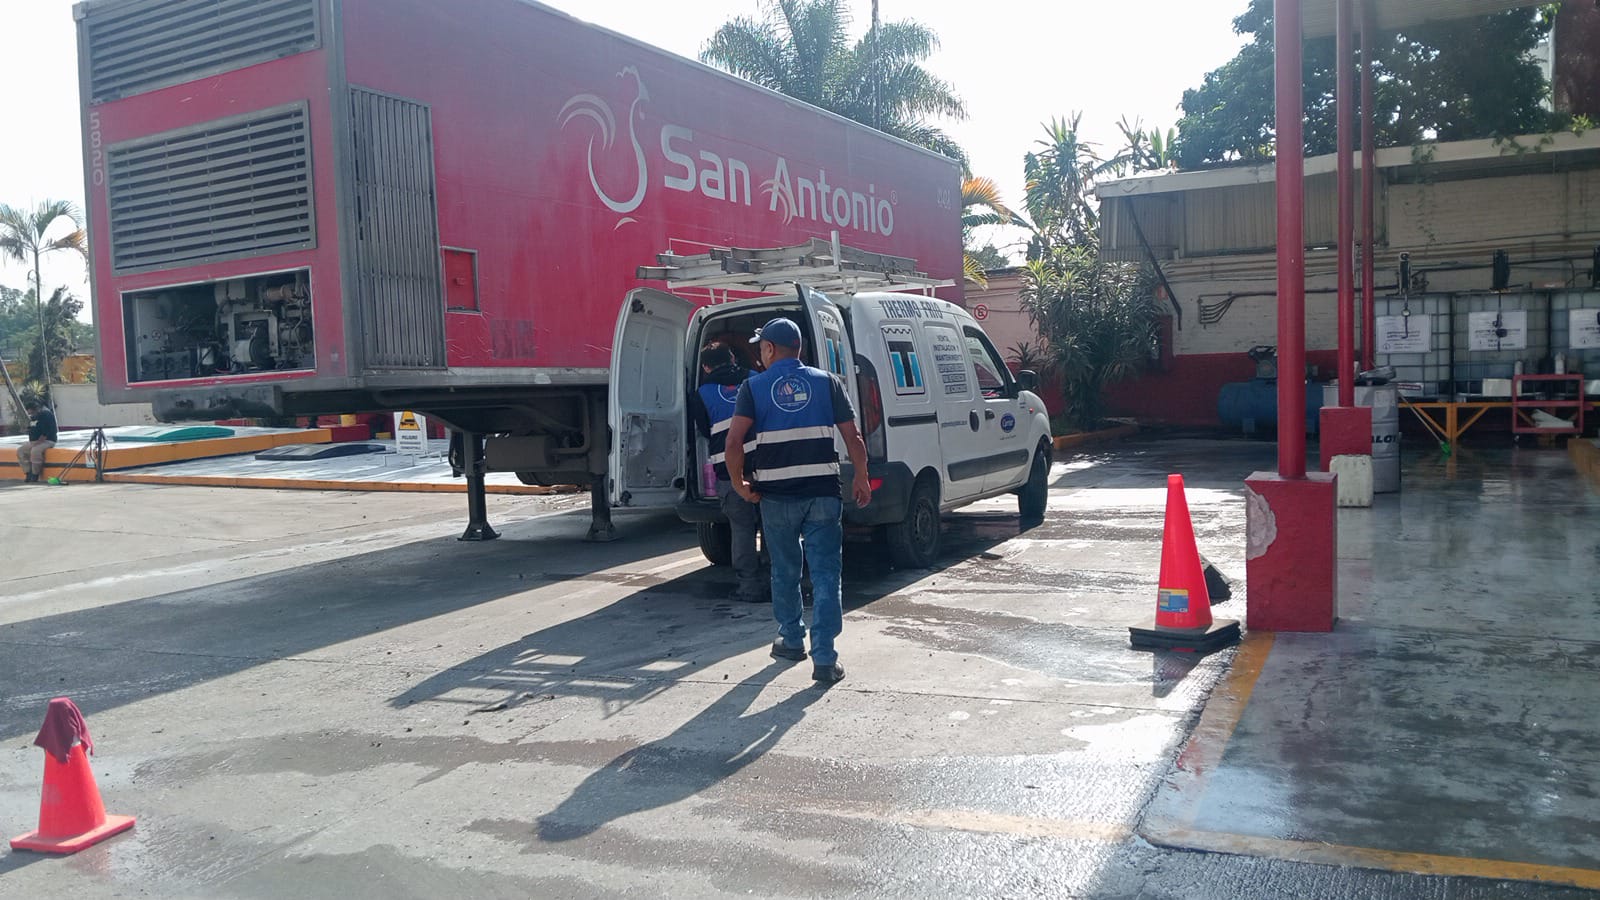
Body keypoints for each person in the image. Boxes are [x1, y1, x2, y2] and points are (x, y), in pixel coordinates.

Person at [724, 317, 872, 684]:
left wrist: (739, 484)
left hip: (775, 498)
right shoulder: (827, 383)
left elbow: (733, 443)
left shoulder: (753, 387)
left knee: (785, 571)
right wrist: (862, 478)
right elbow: (853, 438)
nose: (759, 353)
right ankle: (824, 658)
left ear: (771, 349)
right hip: (822, 493)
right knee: (825, 575)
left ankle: (791, 640)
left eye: (761, 347)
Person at [688, 343, 767, 603]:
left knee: (742, 530)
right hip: (767, 467)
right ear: (732, 356)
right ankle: (779, 582)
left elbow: (703, 430)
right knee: (774, 527)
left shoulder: (702, 394)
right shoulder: (757, 380)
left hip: (730, 473)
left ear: (706, 367)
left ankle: (749, 587)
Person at [17, 398, 58, 484]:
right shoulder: (34, 417)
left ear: (35, 409)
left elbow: (47, 431)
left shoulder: (46, 415)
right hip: (35, 441)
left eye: (31, 411)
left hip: (47, 440)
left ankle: (35, 474)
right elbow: (33, 428)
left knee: (35, 451)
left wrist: (37, 442)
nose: (30, 413)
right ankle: (28, 472)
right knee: (21, 451)